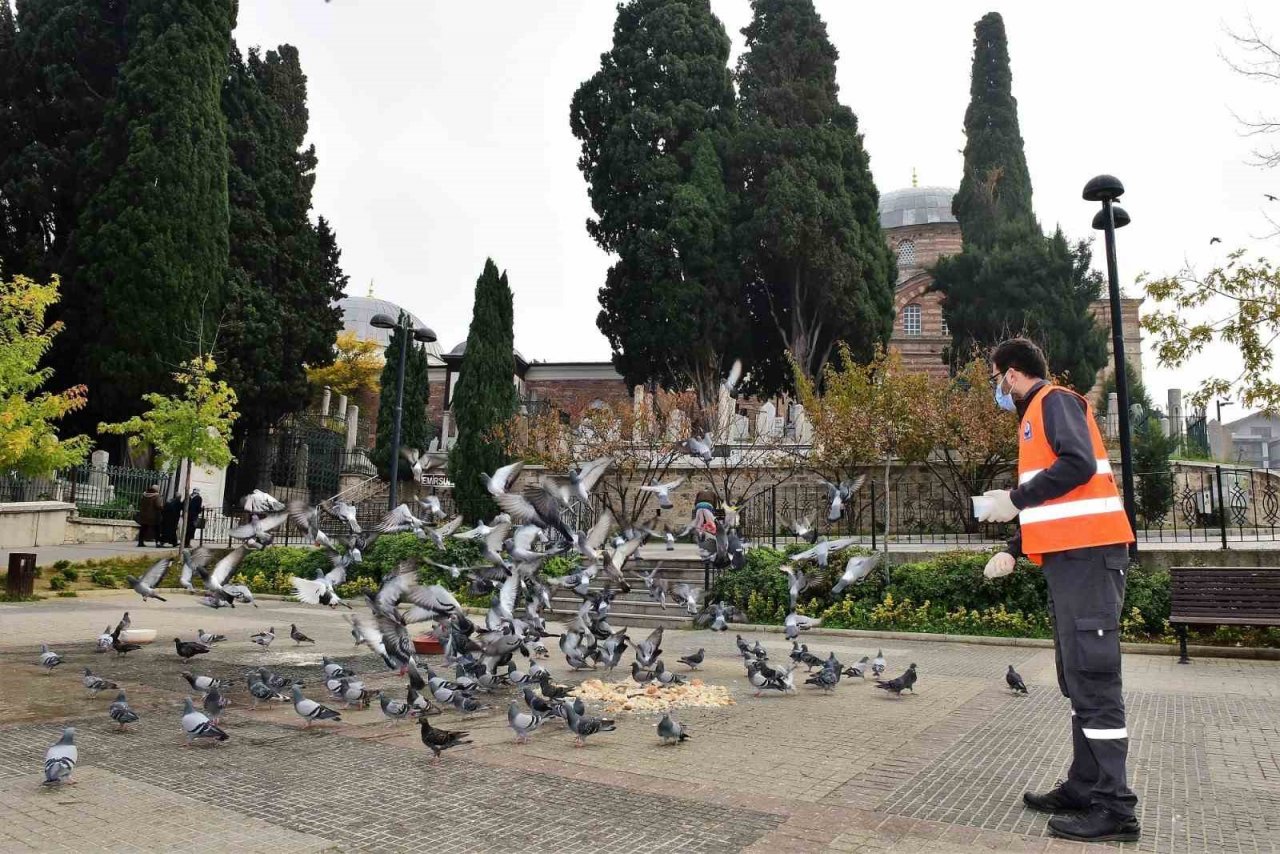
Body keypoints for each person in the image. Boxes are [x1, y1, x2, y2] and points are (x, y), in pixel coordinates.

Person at [977, 338, 1139, 843]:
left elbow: (1078, 467)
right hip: (1073, 561)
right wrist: (1016, 545)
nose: (997, 390)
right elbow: (1059, 502)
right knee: (1077, 678)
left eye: (997, 379)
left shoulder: (1055, 403)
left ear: (1011, 374)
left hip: (1089, 559)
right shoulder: (1036, 419)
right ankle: (1084, 784)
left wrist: (1014, 498)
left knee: (1093, 679)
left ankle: (1116, 808)